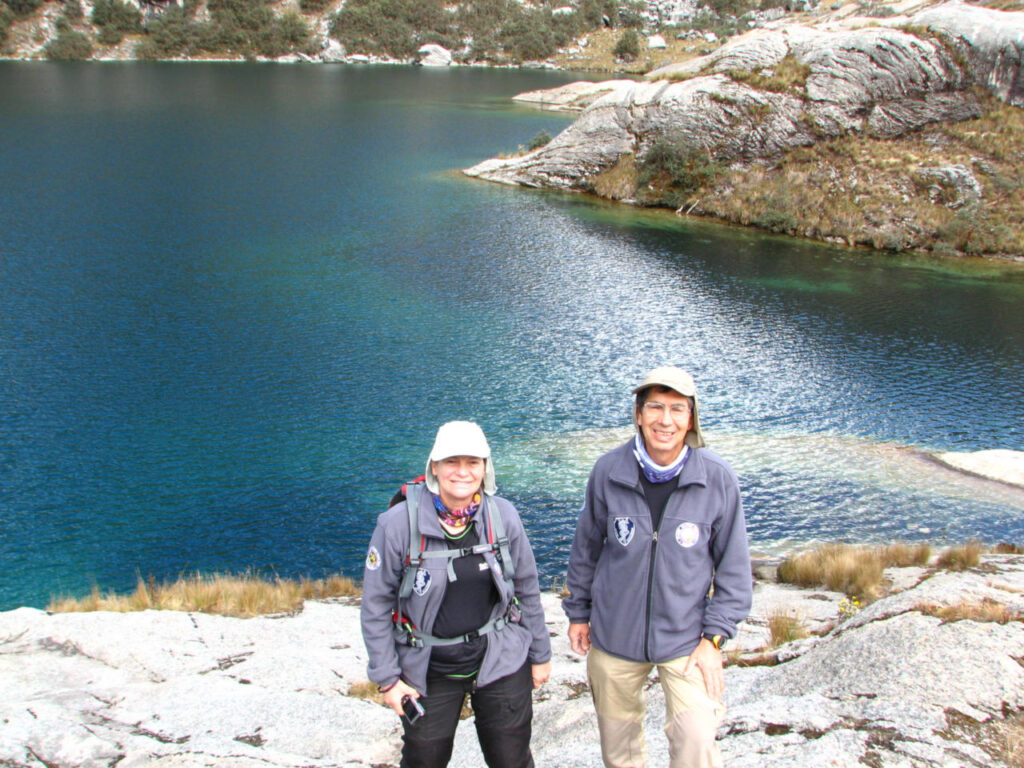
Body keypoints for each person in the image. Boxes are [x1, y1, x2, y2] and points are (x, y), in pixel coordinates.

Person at [563, 366, 752, 768]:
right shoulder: (607, 472)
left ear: (691, 419)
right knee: (619, 752)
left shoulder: (717, 479)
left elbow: (735, 573)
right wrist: (578, 612)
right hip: (614, 639)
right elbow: (586, 551)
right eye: (655, 407)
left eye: (677, 410)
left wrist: (713, 640)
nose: (665, 420)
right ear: (638, 414)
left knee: (697, 744)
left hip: (687, 642)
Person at [361, 421, 552, 768]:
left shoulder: (503, 516)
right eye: (452, 462)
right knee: (423, 759)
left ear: (485, 468)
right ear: (434, 467)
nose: (462, 472)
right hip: (427, 668)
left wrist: (540, 654)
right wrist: (387, 678)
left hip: (501, 657)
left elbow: (527, 586)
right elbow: (375, 605)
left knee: (512, 759)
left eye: (473, 462)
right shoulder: (396, 525)